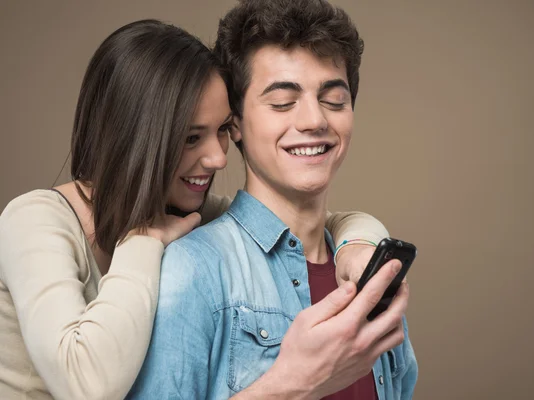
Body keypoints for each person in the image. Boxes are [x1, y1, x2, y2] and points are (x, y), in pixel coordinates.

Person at [0, 19, 392, 400]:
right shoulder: (36, 220)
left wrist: (359, 241)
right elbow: (86, 386)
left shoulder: (189, 216)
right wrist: (143, 242)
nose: (218, 159)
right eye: (191, 138)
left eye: (221, 129)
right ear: (137, 139)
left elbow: (297, 222)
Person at [129, 1, 417, 399]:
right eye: (283, 102)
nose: (315, 121)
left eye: (334, 99)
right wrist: (294, 386)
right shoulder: (193, 270)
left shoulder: (370, 270)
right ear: (235, 125)